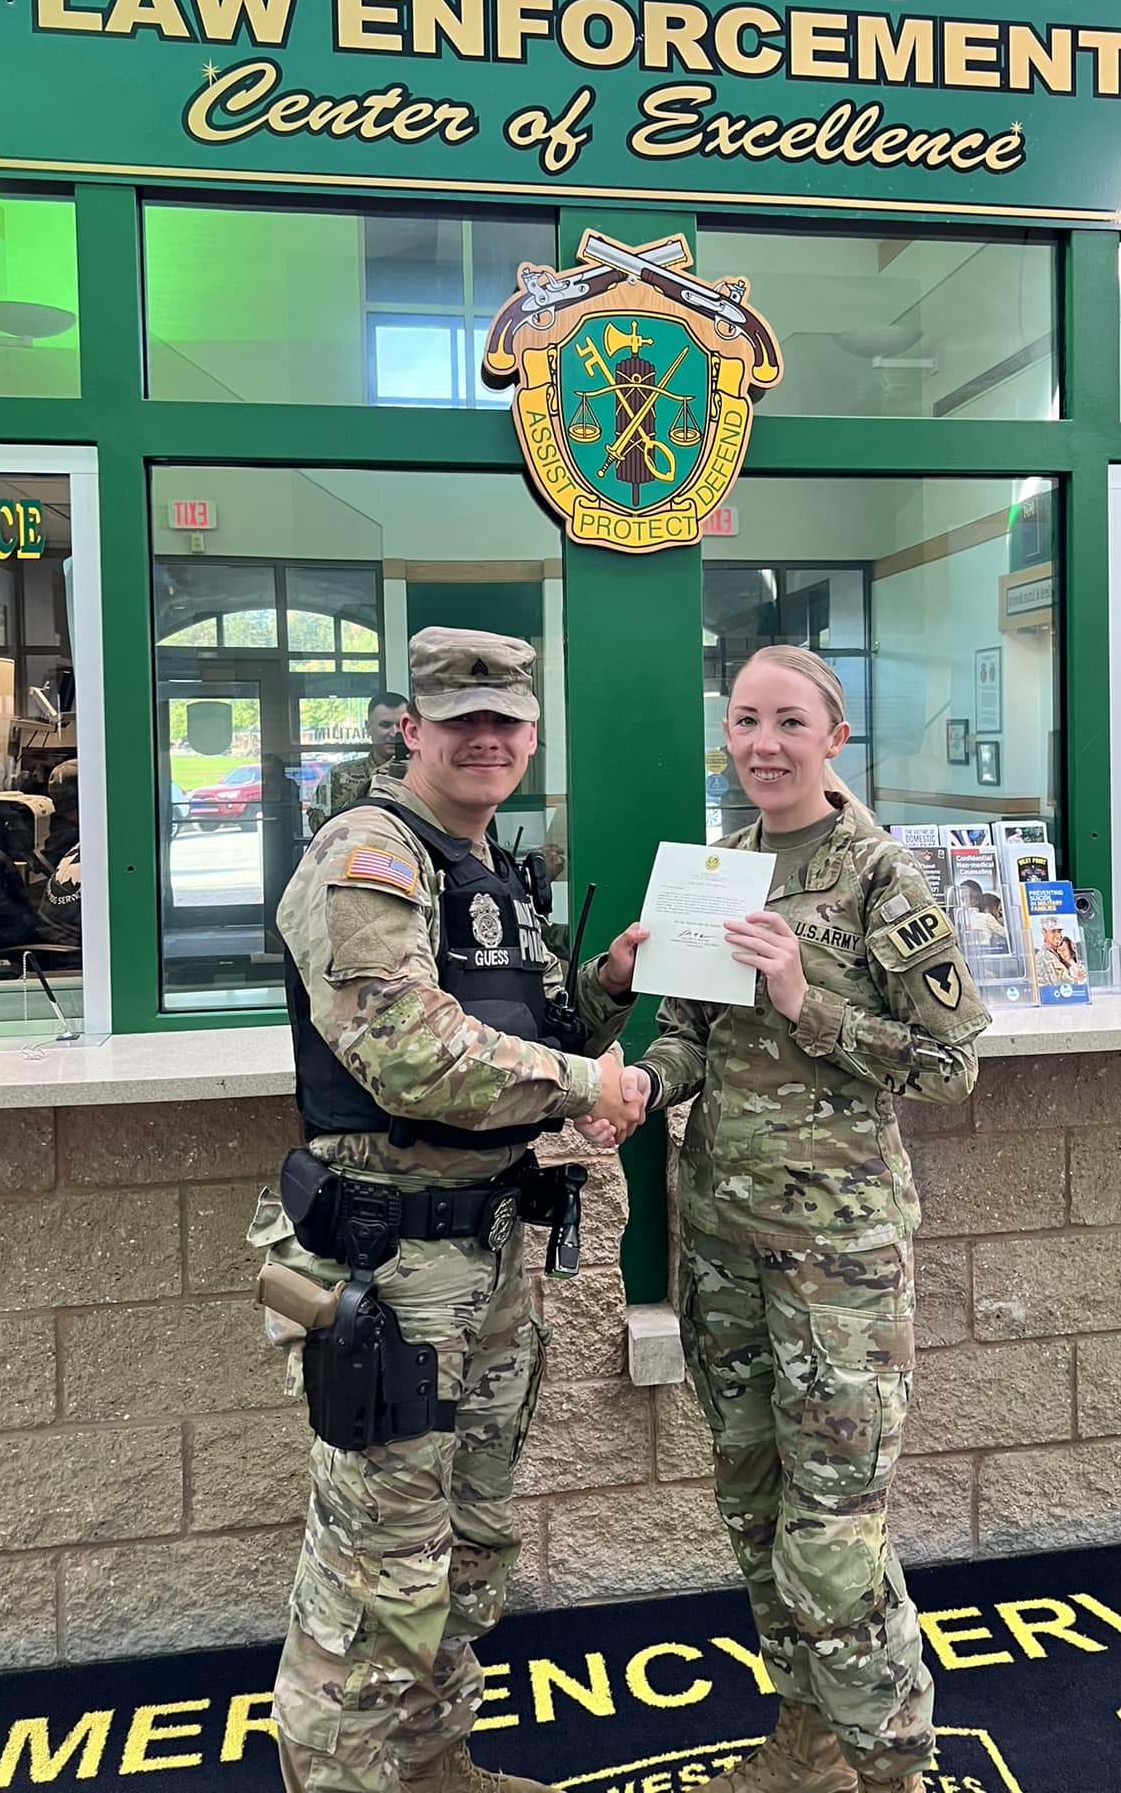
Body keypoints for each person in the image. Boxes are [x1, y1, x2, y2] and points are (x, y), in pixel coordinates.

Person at [258, 626, 648, 1793]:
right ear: (411, 727)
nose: (488, 737)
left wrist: (605, 988)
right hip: (393, 1270)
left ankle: (432, 1765)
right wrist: (588, 1085)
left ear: (531, 735)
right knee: (377, 1566)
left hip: (485, 1256)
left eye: (507, 720)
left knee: (468, 1542)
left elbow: (528, 1030)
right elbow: (409, 1053)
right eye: (461, 717)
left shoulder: (489, 866)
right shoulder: (369, 851)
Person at [624, 646, 990, 1793]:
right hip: (723, 1248)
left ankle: (893, 1769)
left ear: (835, 737)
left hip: (839, 1261)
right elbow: (688, 1034)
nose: (763, 743)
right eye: (746, 719)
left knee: (834, 1540)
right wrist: (640, 1084)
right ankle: (808, 1742)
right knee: (753, 1506)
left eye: (789, 721)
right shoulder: (719, 867)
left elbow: (951, 1064)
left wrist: (806, 1001)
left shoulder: (880, 875)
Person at [307, 691, 410, 834]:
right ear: (368, 727)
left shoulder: (425, 774)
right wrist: (367, 787)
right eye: (385, 725)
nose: (394, 733)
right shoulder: (340, 775)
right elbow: (317, 824)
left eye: (400, 725)